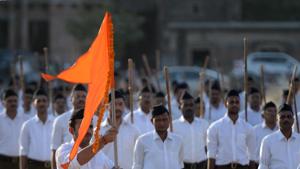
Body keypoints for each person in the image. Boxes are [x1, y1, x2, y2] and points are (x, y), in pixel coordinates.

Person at [207, 89, 256, 169]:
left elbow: (252, 155)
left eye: (237, 102)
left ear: (240, 104)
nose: (234, 104)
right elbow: (211, 155)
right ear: (226, 104)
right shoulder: (215, 127)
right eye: (231, 102)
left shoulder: (248, 128)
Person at [132, 105, 184, 169]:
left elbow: (180, 164)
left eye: (164, 119)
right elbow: (137, 166)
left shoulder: (178, 140)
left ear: (170, 120)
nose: (162, 123)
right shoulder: (142, 141)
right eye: (158, 120)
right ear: (152, 121)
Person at [99, 90, 140, 169]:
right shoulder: (98, 131)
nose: (117, 107)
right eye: (114, 104)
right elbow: (93, 156)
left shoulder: (133, 131)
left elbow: (139, 157)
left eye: (120, 104)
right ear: (107, 106)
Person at [51, 84, 87, 169]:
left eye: (83, 96)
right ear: (71, 99)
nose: (81, 99)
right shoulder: (60, 120)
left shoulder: (95, 120)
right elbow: (54, 149)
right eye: (77, 96)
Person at [19, 89, 54, 169]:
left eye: (44, 101)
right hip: (33, 165)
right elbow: (23, 151)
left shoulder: (56, 123)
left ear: (48, 103)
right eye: (38, 101)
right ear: (33, 104)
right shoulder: (27, 125)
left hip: (52, 165)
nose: (41, 103)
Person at [173, 91, 209, 169]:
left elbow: (207, 146)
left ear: (195, 107)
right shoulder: (173, 126)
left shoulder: (204, 124)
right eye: (185, 105)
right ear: (180, 106)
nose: (189, 107)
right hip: (182, 166)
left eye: (191, 105)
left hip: (201, 165)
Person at [258, 104, 300, 169]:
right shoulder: (267, 141)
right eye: (282, 117)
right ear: (277, 120)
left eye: (289, 117)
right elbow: (263, 166)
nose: (286, 119)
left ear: (293, 120)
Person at [0, 89, 27, 169]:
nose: (13, 103)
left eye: (15, 101)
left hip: (21, 162)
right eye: (9, 101)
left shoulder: (25, 119)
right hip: (2, 162)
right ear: (3, 103)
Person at [253, 101, 278, 166]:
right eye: (269, 111)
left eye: (275, 111)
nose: (273, 113)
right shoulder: (255, 130)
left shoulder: (282, 130)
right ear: (263, 114)